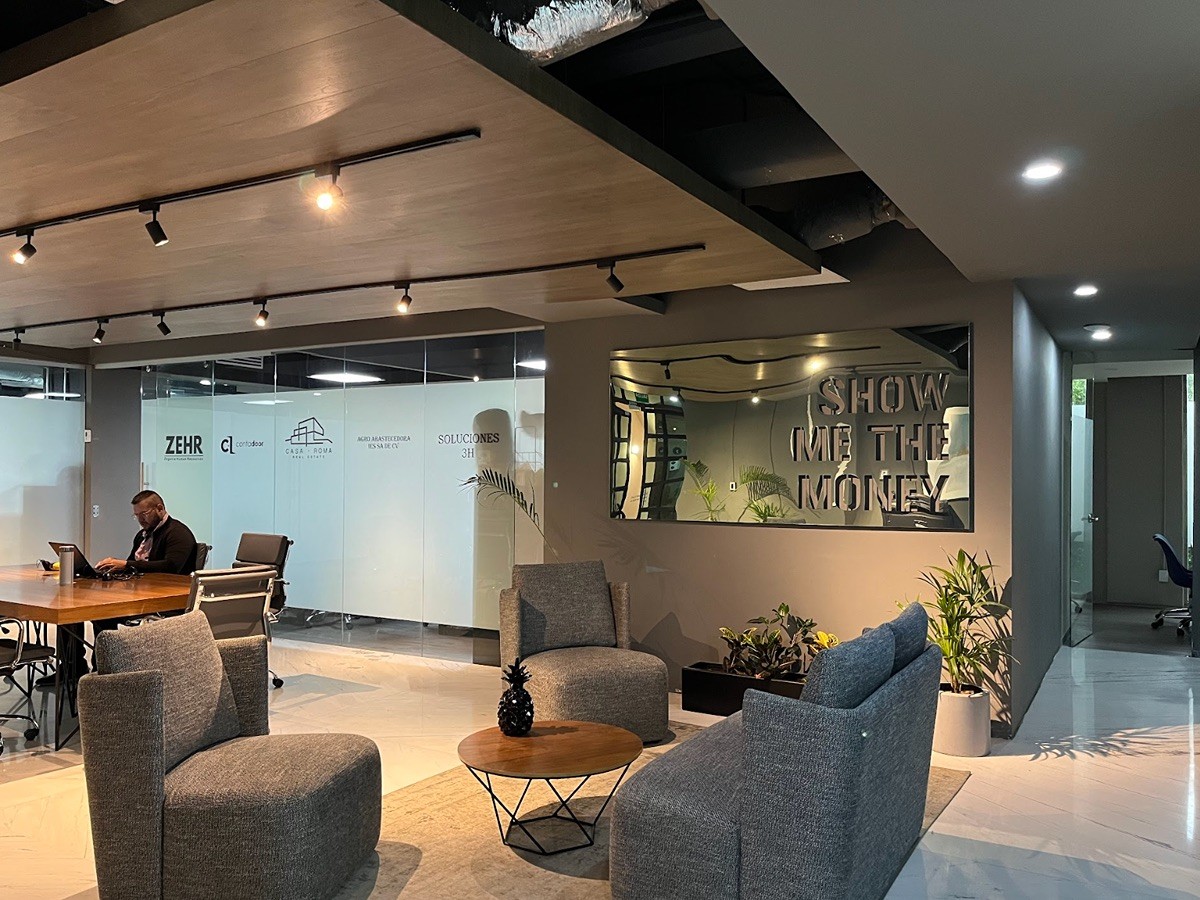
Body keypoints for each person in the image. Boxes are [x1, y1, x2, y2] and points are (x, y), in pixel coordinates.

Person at [41, 490, 198, 687]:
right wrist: (116, 568)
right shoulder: (143, 535)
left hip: (164, 599)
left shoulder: (178, 533)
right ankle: (72, 668)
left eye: (144, 514)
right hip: (141, 592)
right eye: (136, 515)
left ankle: (103, 672)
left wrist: (126, 564)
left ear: (160, 508)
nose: (140, 520)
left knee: (102, 614)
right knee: (71, 608)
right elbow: (135, 564)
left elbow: (172, 567)